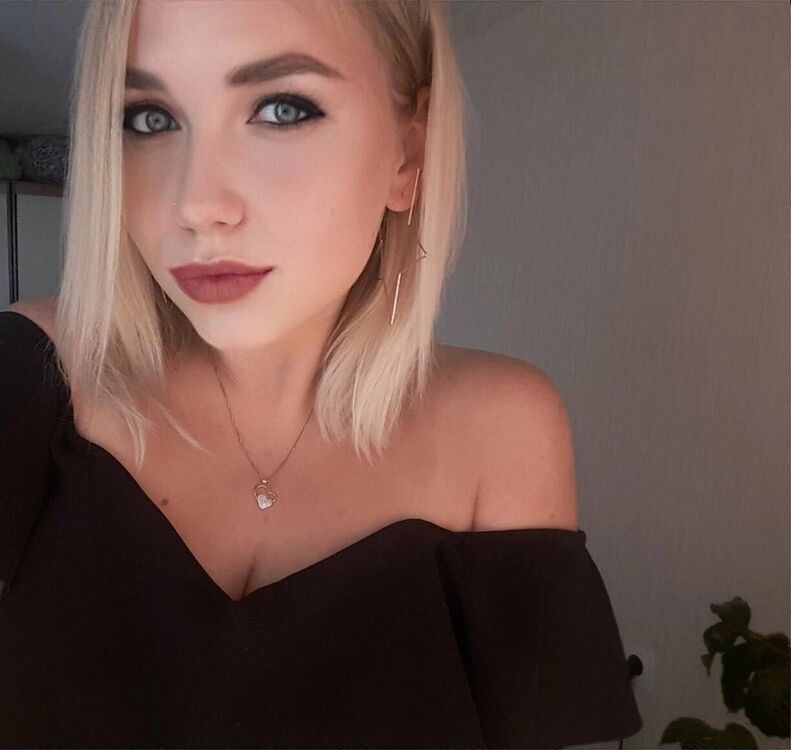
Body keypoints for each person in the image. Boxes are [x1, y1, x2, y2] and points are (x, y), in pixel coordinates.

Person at [0, 1, 643, 747]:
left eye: (282, 109)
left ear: (408, 154)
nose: (196, 205)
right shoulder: (29, 374)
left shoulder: (501, 432)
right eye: (147, 119)